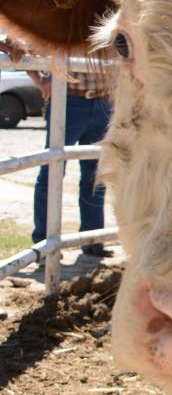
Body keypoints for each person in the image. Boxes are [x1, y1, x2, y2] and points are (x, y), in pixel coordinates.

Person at [27, 66, 113, 258]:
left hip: (103, 101)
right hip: (68, 100)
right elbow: (22, 45)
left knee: (96, 175)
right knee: (52, 172)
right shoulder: (66, 33)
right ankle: (44, 243)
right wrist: (39, 81)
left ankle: (92, 240)